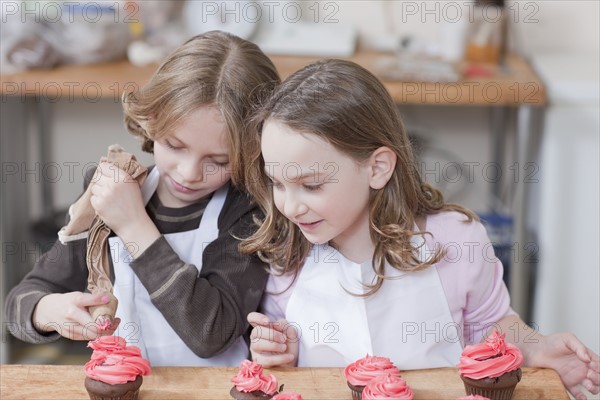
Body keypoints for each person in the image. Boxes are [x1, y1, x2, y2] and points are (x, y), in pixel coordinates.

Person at [241, 59, 600, 400]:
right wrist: (279, 352)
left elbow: (493, 326)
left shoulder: (456, 240)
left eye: (312, 185)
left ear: (377, 167)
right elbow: (284, 359)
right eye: (277, 183)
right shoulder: (287, 250)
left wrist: (538, 346)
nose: (290, 206)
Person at [5, 31, 281, 366]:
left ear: (254, 150)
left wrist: (135, 227)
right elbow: (18, 304)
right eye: (175, 145)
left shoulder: (247, 210)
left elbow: (211, 333)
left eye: (218, 161)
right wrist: (47, 311)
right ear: (152, 120)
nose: (189, 172)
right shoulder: (110, 191)